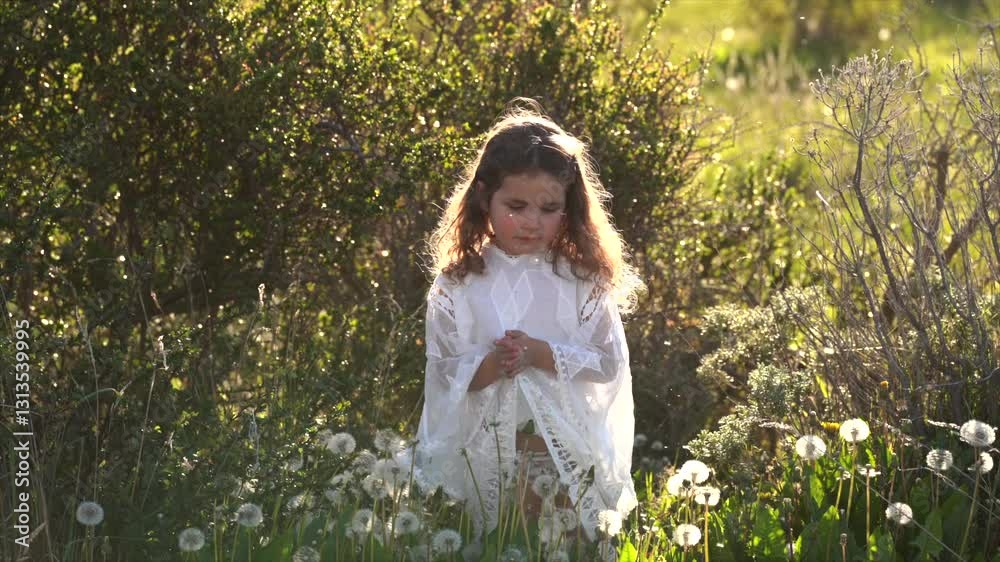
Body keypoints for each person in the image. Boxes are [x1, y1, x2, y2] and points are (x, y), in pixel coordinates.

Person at [402, 98, 646, 545]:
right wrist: (493, 363)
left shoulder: (580, 280)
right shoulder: (458, 283)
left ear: (568, 207)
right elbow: (442, 370)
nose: (532, 221)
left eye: (549, 208)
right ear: (483, 198)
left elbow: (609, 363)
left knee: (554, 542)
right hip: (482, 448)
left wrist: (541, 353)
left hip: (561, 451)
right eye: (516, 205)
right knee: (493, 541)